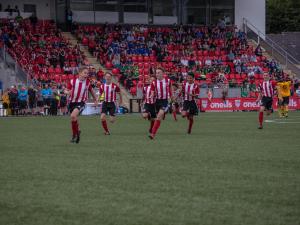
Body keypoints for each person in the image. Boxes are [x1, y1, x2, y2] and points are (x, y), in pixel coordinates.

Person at [65, 66, 98, 143]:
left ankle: (75, 134)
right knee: (73, 118)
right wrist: (67, 92)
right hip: (71, 102)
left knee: (73, 116)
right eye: (85, 73)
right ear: (80, 73)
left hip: (81, 102)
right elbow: (66, 90)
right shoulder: (72, 81)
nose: (86, 74)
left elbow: (91, 91)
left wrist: (95, 100)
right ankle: (76, 132)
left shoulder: (87, 82)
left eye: (87, 73)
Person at [149, 67, 172, 140]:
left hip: (164, 101)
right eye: (156, 73)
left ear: (163, 73)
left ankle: (152, 134)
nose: (157, 74)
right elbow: (152, 92)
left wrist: (171, 97)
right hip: (157, 101)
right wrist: (151, 95)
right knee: (158, 117)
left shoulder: (168, 81)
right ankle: (164, 113)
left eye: (159, 72)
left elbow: (170, 90)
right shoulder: (154, 83)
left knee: (159, 116)